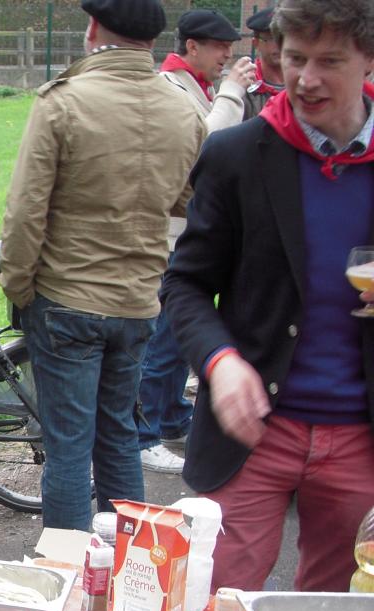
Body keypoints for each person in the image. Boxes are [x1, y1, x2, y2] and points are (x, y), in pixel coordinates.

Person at [163, 0, 374, 592]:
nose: (305, 78)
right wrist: (220, 362)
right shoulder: (236, 155)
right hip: (253, 432)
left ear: (369, 60)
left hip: (361, 435)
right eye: (295, 58)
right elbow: (185, 282)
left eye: (329, 61)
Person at [0, 0, 205, 531]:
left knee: (68, 446)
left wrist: (18, 285)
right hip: (138, 299)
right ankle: (127, 573)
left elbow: (25, 212)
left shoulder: (63, 102)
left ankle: (68, 574)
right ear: (154, 40)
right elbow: (189, 199)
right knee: (119, 438)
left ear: (93, 29)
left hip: (66, 297)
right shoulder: (183, 109)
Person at [135, 9, 259, 476]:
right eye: (220, 46)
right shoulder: (172, 88)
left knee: (175, 339)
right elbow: (208, 146)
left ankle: (168, 416)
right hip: (170, 237)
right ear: (191, 47)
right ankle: (146, 434)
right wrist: (231, 92)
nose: (229, 55)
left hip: (190, 231)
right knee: (165, 340)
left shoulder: (196, 87)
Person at [245, 6, 287, 117]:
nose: (280, 44)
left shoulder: (303, 85)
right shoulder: (245, 87)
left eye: (284, 37)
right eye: (272, 38)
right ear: (256, 44)